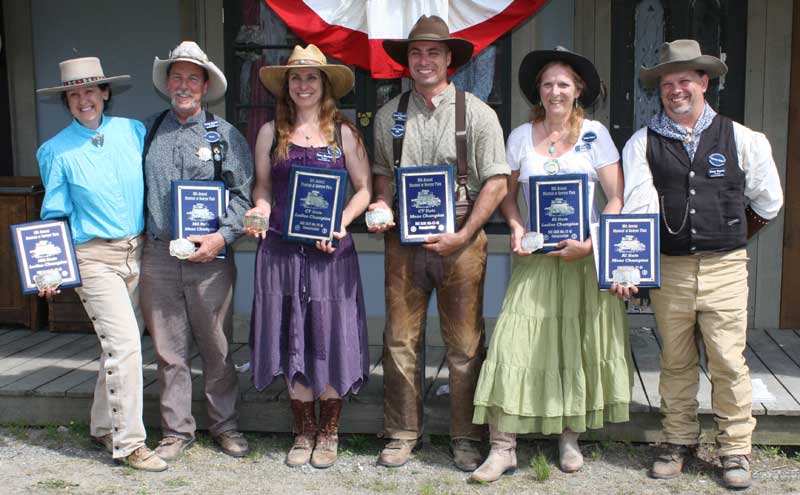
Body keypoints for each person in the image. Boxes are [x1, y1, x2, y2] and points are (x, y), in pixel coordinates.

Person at [619, 39, 784, 489]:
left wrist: (728, 235)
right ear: (660, 89)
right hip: (670, 268)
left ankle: (734, 450)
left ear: (703, 82)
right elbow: (636, 209)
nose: (676, 90)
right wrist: (631, 265)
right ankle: (677, 441)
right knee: (674, 359)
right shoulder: (642, 142)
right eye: (668, 83)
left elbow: (769, 202)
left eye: (685, 81)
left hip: (726, 268)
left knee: (729, 361)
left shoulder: (742, 138)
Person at [470, 47, 634, 482]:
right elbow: (505, 194)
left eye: (563, 83)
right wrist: (517, 226)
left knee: (575, 346)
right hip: (537, 260)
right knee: (512, 344)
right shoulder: (521, 136)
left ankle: (569, 438)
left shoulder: (596, 134)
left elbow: (616, 198)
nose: (555, 91)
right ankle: (503, 447)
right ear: (538, 92)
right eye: (547, 84)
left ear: (578, 89)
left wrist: (592, 243)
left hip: (583, 259)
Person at [369, 15, 510, 471]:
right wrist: (381, 204)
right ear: (406, 61)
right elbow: (383, 177)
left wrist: (464, 235)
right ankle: (402, 432)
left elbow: (497, 183)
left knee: (465, 345)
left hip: (463, 240)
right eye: (416, 52)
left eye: (433, 52)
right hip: (403, 244)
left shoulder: (478, 113)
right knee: (400, 341)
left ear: (449, 59)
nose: (424, 60)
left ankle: (467, 436)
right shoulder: (390, 115)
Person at [35, 57, 167, 472]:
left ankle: (102, 424)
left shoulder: (133, 132)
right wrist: (49, 267)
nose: (83, 100)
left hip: (138, 250)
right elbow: (54, 214)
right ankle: (129, 444)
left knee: (117, 346)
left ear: (105, 92)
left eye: (90, 91)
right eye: (74, 94)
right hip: (92, 257)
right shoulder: (55, 150)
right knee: (126, 345)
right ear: (67, 101)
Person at [245, 44, 372, 469]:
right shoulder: (269, 132)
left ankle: (330, 430)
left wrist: (342, 223)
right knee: (290, 332)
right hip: (280, 249)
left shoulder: (344, 133)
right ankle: (303, 430)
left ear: (324, 85)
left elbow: (364, 191)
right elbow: (262, 187)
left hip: (330, 251)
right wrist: (260, 208)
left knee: (330, 332)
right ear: (287, 87)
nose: (303, 85)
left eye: (311, 78)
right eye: (296, 78)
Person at [140, 41, 253, 461]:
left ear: (205, 86)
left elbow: (243, 197)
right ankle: (176, 431)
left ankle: (225, 426)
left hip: (211, 257)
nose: (183, 84)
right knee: (169, 349)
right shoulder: (149, 131)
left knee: (217, 346)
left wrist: (222, 237)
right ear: (167, 83)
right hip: (159, 254)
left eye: (192, 77)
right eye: (176, 76)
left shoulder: (225, 137)